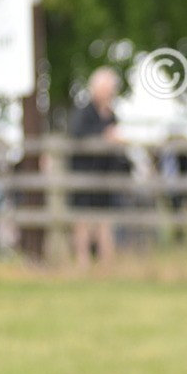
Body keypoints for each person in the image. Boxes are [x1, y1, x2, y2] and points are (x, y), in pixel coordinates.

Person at [68, 66, 127, 269]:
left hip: (105, 177)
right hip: (84, 176)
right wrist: (105, 136)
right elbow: (77, 135)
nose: (109, 92)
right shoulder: (84, 112)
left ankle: (106, 265)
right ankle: (82, 263)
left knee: (105, 222)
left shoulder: (111, 114)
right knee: (83, 223)